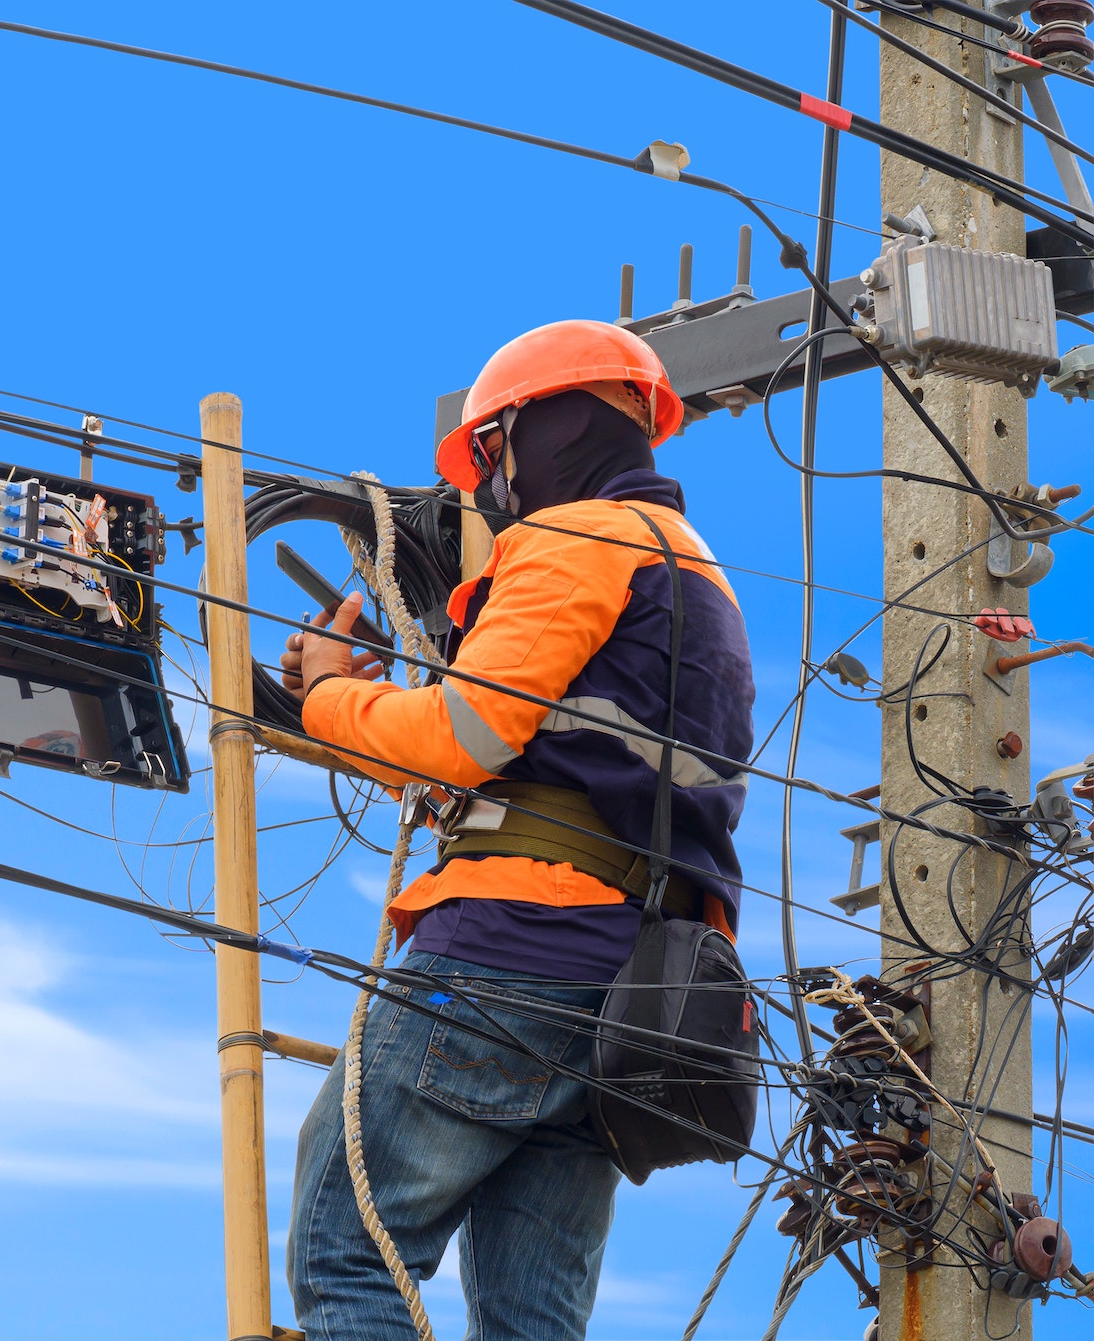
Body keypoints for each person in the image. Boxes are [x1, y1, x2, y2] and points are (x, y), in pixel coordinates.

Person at [279, 320, 755, 1340]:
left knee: (346, 1247)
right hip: (636, 994)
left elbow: (458, 736)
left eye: (492, 452)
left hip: (515, 943)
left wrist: (323, 699)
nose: (491, 488)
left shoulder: (575, 538)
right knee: (530, 1322)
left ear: (549, 427)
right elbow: (560, 755)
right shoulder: (699, 576)